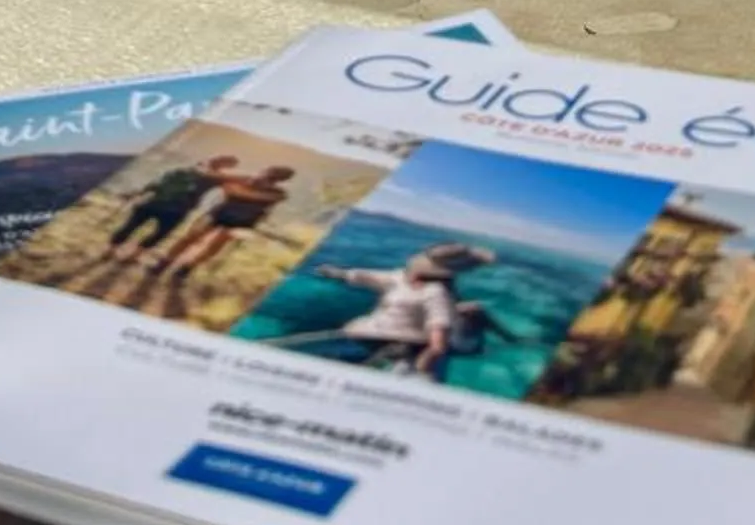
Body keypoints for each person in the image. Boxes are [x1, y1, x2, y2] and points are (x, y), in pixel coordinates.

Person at [306, 243, 501, 381]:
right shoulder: (432, 291)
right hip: (396, 342)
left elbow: (361, 276)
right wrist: (428, 361)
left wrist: (333, 272)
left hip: (376, 336)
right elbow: (439, 339)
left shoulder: (406, 280)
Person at [159, 163, 299, 280]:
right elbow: (215, 177)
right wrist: (213, 171)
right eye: (270, 173)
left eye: (274, 174)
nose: (267, 176)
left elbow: (244, 193)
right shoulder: (256, 183)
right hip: (229, 216)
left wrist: (234, 189)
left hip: (232, 218)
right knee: (199, 241)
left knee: (207, 244)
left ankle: (181, 266)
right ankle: (174, 264)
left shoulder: (276, 192)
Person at [106, 155, 240, 259]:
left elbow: (156, 184)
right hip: (177, 209)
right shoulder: (216, 178)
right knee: (160, 234)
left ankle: (111, 249)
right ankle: (134, 254)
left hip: (154, 202)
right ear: (225, 166)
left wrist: (140, 194)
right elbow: (233, 185)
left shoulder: (182, 169)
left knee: (131, 225)